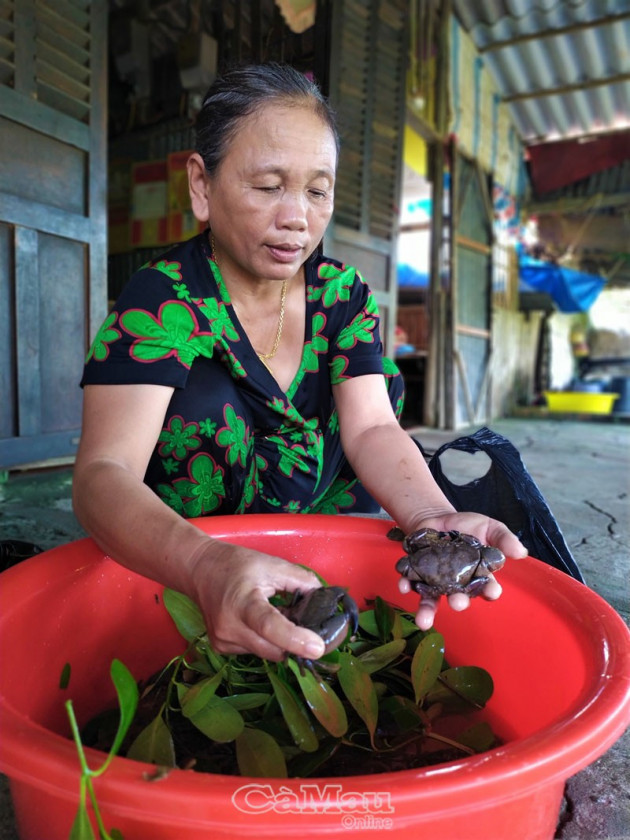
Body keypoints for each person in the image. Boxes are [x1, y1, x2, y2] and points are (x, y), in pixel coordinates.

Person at [73, 63, 527, 664]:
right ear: (202, 186)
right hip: (205, 540)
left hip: (326, 515)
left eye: (317, 190)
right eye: (267, 186)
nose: (298, 218)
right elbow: (102, 474)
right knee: (203, 402)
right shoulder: (162, 301)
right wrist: (205, 564)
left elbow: (369, 428)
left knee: (378, 391)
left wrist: (430, 519)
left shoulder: (342, 293)